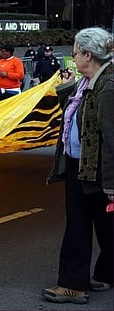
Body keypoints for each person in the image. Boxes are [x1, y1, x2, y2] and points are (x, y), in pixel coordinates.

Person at [42, 27, 113, 305]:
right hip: (82, 165)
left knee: (78, 226)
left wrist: (111, 184)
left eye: (74, 53)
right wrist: (67, 87)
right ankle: (106, 273)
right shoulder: (89, 81)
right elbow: (76, 117)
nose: (72, 58)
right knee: (104, 224)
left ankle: (73, 285)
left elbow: (111, 138)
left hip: (91, 169)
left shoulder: (107, 87)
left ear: (87, 54)